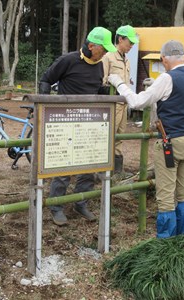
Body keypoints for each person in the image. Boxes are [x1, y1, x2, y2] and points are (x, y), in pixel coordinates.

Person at [108, 40, 184, 238]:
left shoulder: (167, 78)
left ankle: (165, 243)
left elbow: (137, 101)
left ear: (164, 59)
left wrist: (119, 83)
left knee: (166, 196)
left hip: (171, 143)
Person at [39, 26, 117, 226]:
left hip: (89, 122)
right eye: (104, 49)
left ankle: (81, 202)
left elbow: (95, 88)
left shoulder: (99, 65)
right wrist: (43, 110)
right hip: (65, 121)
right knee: (64, 166)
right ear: (92, 45)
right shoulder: (68, 60)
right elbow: (46, 80)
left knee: (89, 167)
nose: (106, 53)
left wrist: (103, 92)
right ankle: (56, 207)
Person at [102, 25, 138, 175]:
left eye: (133, 43)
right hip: (112, 104)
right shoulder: (108, 56)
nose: (131, 45)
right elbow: (103, 81)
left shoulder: (126, 59)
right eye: (129, 42)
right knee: (107, 136)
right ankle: (103, 171)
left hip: (123, 104)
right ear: (120, 39)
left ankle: (117, 171)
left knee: (120, 136)